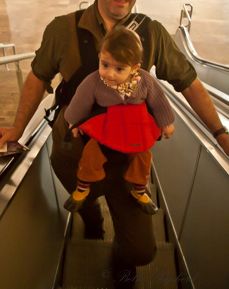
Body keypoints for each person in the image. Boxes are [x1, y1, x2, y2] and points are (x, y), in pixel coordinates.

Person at [0, 0, 229, 288]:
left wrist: (220, 132)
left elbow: (189, 82)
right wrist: (16, 128)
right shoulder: (63, 29)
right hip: (73, 158)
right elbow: (38, 78)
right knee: (85, 204)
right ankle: (93, 221)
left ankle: (122, 254)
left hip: (126, 163)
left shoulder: (151, 33)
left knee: (142, 251)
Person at [63, 27, 175, 216]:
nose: (109, 74)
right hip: (108, 125)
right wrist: (74, 123)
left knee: (143, 156)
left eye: (119, 69)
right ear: (100, 56)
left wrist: (166, 122)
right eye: (105, 64)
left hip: (137, 126)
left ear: (135, 68)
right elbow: (81, 100)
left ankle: (139, 189)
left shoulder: (145, 81)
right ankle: (83, 186)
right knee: (91, 152)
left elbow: (159, 101)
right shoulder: (94, 81)